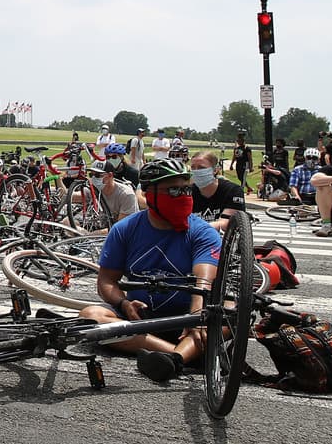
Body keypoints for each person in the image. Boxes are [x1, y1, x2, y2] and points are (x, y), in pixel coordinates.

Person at [77, 159, 224, 383]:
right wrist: (125, 304)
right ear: (149, 193)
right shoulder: (125, 230)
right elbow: (106, 282)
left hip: (189, 319)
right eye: (174, 190)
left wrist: (195, 317)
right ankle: (185, 354)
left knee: (231, 310)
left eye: (187, 189)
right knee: (90, 316)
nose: (184, 196)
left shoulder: (203, 233)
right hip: (142, 321)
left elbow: (202, 281)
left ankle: (175, 359)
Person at [188, 153, 244, 233]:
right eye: (193, 168)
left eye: (201, 168)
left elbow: (227, 223)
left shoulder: (233, 190)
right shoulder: (187, 192)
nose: (196, 171)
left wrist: (200, 228)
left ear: (215, 170)